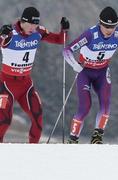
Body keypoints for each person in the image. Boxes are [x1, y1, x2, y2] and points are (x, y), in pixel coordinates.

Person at [63, 6, 118, 144]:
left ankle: (97, 137)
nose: (109, 30)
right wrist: (74, 65)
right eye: (106, 26)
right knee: (85, 107)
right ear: (100, 23)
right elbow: (67, 51)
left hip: (102, 72)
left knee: (106, 104)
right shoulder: (90, 34)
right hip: (85, 72)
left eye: (112, 26)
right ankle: (73, 139)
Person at [0, 7, 70, 143]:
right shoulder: (10, 34)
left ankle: (34, 151)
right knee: (4, 121)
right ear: (22, 21)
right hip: (6, 85)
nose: (33, 27)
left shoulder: (38, 32)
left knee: (37, 117)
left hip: (26, 85)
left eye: (36, 24)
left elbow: (60, 40)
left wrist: (64, 30)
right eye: (31, 24)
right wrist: (2, 34)